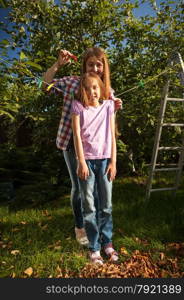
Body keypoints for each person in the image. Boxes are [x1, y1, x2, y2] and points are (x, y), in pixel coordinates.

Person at [43, 47, 122, 246]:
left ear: (104, 67)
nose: (94, 68)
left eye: (98, 64)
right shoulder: (72, 83)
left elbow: (109, 121)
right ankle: (80, 226)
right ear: (84, 65)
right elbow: (44, 86)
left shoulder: (106, 90)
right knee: (79, 188)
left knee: (95, 192)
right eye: (90, 64)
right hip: (72, 143)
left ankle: (95, 227)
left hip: (97, 150)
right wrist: (58, 65)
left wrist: (117, 106)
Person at [71, 72, 118, 264]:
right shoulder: (78, 107)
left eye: (96, 87)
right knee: (89, 205)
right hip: (87, 162)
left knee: (106, 205)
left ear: (101, 88)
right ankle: (94, 247)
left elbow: (112, 136)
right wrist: (81, 161)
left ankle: (107, 243)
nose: (92, 91)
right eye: (88, 88)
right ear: (82, 90)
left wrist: (113, 161)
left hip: (105, 161)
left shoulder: (108, 106)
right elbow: (76, 136)